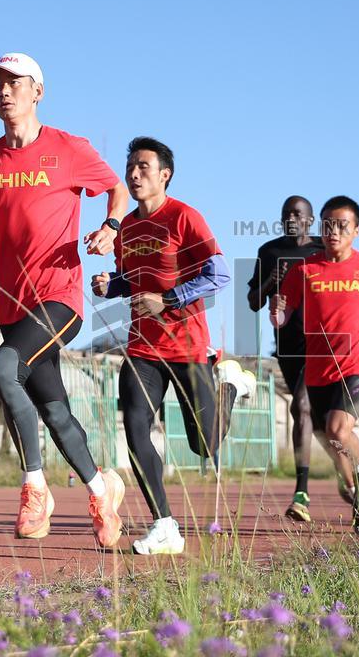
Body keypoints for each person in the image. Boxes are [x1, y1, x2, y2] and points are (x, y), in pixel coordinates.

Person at [0, 52, 129, 545]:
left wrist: (111, 228)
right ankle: (101, 488)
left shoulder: (68, 148)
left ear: (37, 92)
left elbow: (116, 190)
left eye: (14, 83)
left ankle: (35, 488)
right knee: (52, 410)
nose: (3, 92)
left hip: (60, 296)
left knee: (4, 370)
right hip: (13, 306)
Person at [92, 136, 255, 555]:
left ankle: (231, 387)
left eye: (143, 166)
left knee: (204, 444)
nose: (134, 173)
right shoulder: (126, 226)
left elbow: (218, 275)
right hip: (143, 347)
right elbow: (133, 280)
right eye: (130, 166)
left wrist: (168, 299)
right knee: (135, 427)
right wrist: (111, 286)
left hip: (187, 347)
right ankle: (164, 525)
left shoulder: (185, 217)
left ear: (164, 174)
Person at [271, 195, 359, 535]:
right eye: (327, 224)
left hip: (357, 362)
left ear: (356, 230)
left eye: (342, 225)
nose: (333, 230)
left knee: (336, 429)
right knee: (326, 436)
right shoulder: (305, 269)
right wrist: (277, 310)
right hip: (317, 368)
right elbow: (283, 316)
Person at [247, 196, 323, 521]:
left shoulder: (323, 249)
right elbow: (252, 301)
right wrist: (270, 282)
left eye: (298, 213)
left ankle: (301, 492)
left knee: (301, 407)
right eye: (286, 213)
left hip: (323, 343)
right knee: (315, 416)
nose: (291, 217)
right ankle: (356, 474)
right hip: (287, 346)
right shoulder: (270, 251)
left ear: (310, 219)